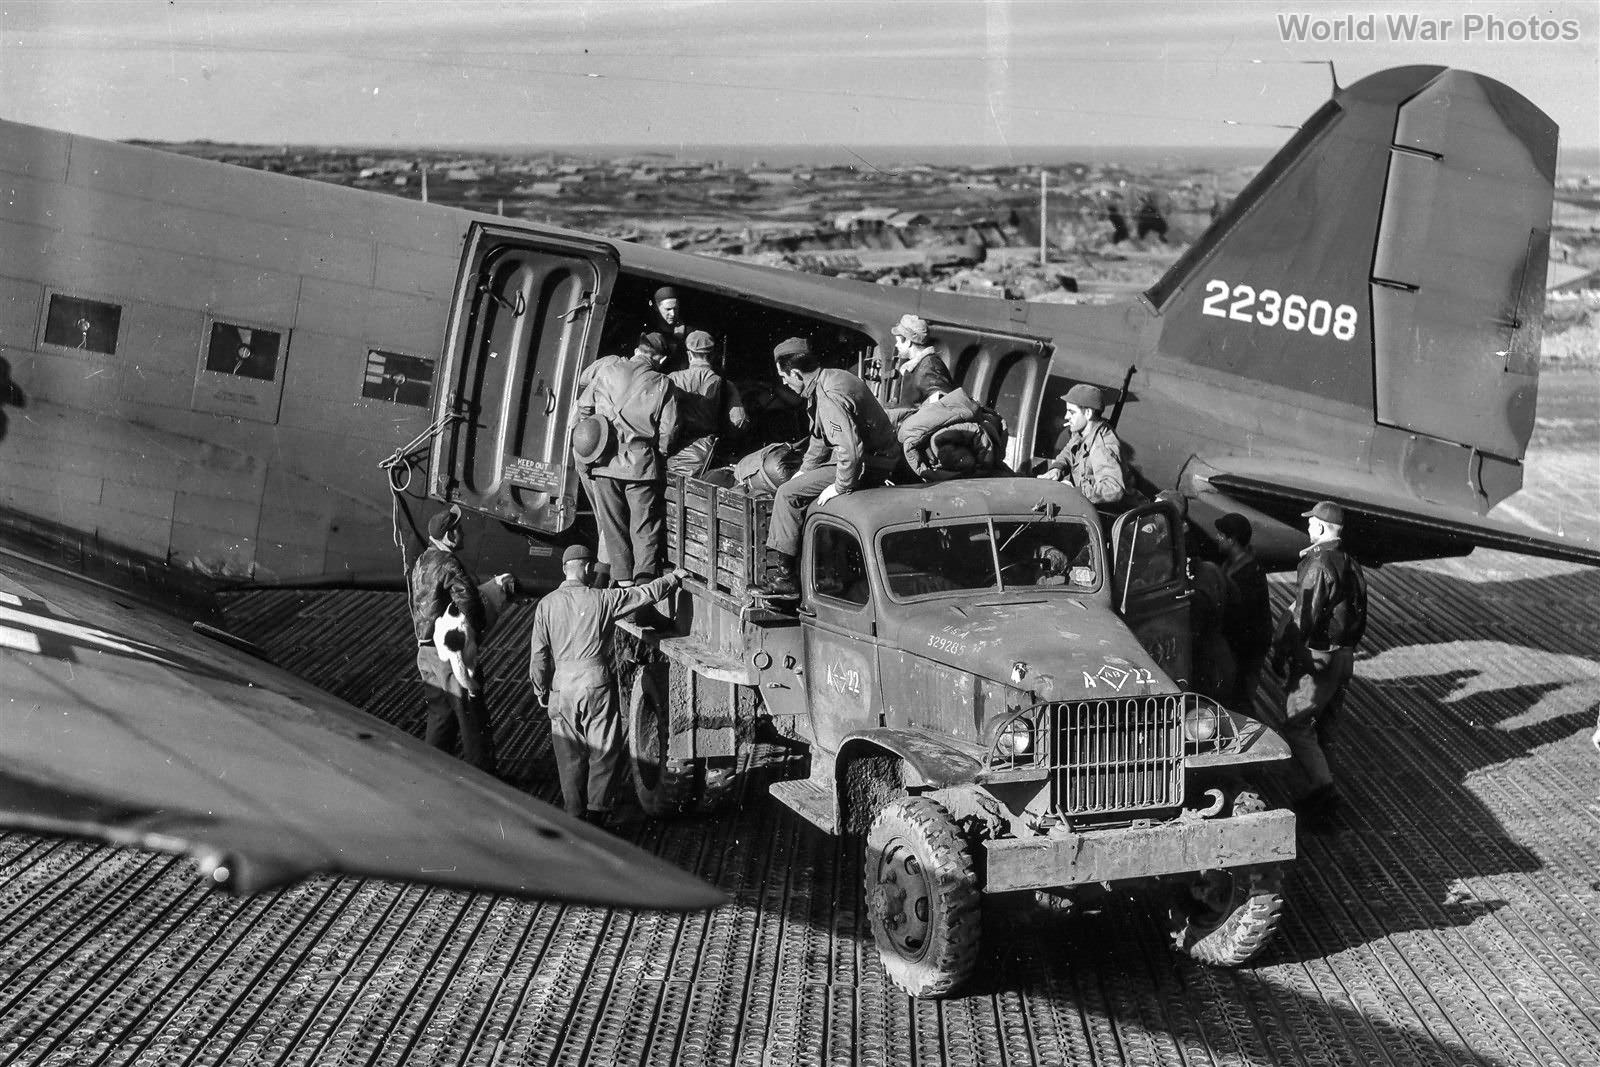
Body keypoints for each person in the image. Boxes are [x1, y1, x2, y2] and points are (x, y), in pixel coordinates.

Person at [527, 545, 683, 823]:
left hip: (561, 686)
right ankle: (597, 810)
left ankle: (574, 812)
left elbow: (538, 654)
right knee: (604, 749)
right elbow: (642, 595)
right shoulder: (601, 599)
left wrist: (540, 688)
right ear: (587, 568)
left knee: (568, 754)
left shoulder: (546, 604)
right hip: (594, 681)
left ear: (565, 569)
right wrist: (673, 579)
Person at [759, 337, 898, 596]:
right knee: (795, 485)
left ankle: (785, 578)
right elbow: (820, 438)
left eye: (784, 376)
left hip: (869, 463)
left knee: (787, 495)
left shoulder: (828, 394)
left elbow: (849, 450)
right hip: (875, 457)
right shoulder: (830, 379)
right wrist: (805, 470)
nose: (784, 383)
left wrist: (840, 485)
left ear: (797, 373)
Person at [1270, 500, 1368, 831]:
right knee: (1326, 728)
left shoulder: (1318, 564)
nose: (1308, 528)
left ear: (1323, 528)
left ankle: (1322, 795)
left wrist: (1283, 652)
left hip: (1320, 659)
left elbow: (1303, 616)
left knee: (1297, 725)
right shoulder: (1351, 562)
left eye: (1312, 523)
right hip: (1345, 658)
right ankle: (1322, 794)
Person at [579, 332, 680, 584]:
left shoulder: (608, 370)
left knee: (613, 527)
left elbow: (584, 406)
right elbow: (669, 430)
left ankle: (622, 582)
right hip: (641, 465)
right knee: (644, 527)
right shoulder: (663, 382)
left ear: (638, 349)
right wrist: (659, 454)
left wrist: (596, 433)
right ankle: (643, 583)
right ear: (662, 358)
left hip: (604, 463)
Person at [408, 506, 503, 775]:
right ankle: (485, 778)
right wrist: (480, 628)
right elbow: (470, 602)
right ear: (449, 535)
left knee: (440, 717)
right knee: (472, 716)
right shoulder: (448, 563)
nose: (462, 533)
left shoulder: (422, 561)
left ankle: (433, 772)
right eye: (458, 529)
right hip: (450, 655)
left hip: (425, 652)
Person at [667, 329, 748, 476]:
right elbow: (739, 421)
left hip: (672, 452)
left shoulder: (672, 379)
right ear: (712, 356)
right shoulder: (726, 385)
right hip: (705, 454)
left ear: (689, 354)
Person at [1035, 383, 1130, 507]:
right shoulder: (1083, 432)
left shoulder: (1101, 445)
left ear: (1088, 413)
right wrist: (1057, 468)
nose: (1066, 416)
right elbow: (1068, 451)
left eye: (1071, 412)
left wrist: (1075, 491)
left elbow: (1113, 489)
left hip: (1107, 514)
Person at [1216, 512, 1273, 714]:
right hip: (1240, 645)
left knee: (1241, 699)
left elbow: (1241, 618)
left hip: (1246, 649)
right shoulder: (1235, 563)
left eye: (1221, 536)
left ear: (1232, 540)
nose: (1218, 538)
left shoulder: (1248, 574)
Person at [886, 313, 954, 421]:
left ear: (908, 341)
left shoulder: (929, 368)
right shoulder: (918, 366)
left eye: (898, 341)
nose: (896, 345)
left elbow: (940, 408)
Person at [648, 285, 690, 370]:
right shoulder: (649, 330)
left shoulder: (688, 332)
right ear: (656, 307)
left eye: (676, 309)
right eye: (668, 309)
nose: (673, 314)